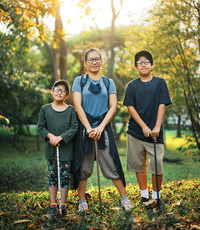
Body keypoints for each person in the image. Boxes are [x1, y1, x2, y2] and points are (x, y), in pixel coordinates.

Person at [72, 48, 132, 212]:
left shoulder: (108, 82)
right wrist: (89, 128)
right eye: (90, 59)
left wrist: (100, 127)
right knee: (84, 165)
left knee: (112, 162)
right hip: (85, 129)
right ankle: (82, 201)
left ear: (101, 62)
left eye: (97, 59)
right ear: (85, 63)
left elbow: (112, 108)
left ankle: (124, 198)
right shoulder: (80, 81)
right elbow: (77, 106)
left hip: (103, 128)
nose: (94, 62)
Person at [123, 50, 172, 206]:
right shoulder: (131, 85)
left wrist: (156, 126)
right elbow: (130, 107)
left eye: (146, 62)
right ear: (136, 67)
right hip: (136, 132)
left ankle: (157, 197)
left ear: (152, 65)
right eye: (139, 62)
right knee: (139, 165)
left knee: (157, 164)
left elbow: (162, 104)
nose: (143, 64)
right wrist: (143, 126)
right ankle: (144, 196)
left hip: (156, 133)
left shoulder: (160, 83)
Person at [38, 80, 78, 219]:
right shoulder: (45, 109)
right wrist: (51, 137)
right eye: (57, 89)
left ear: (66, 95)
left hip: (65, 150)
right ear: (52, 91)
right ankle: (53, 204)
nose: (59, 92)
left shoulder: (71, 110)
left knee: (65, 177)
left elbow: (74, 127)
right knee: (52, 177)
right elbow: (41, 127)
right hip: (51, 149)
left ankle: (63, 204)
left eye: (63, 90)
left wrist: (61, 137)